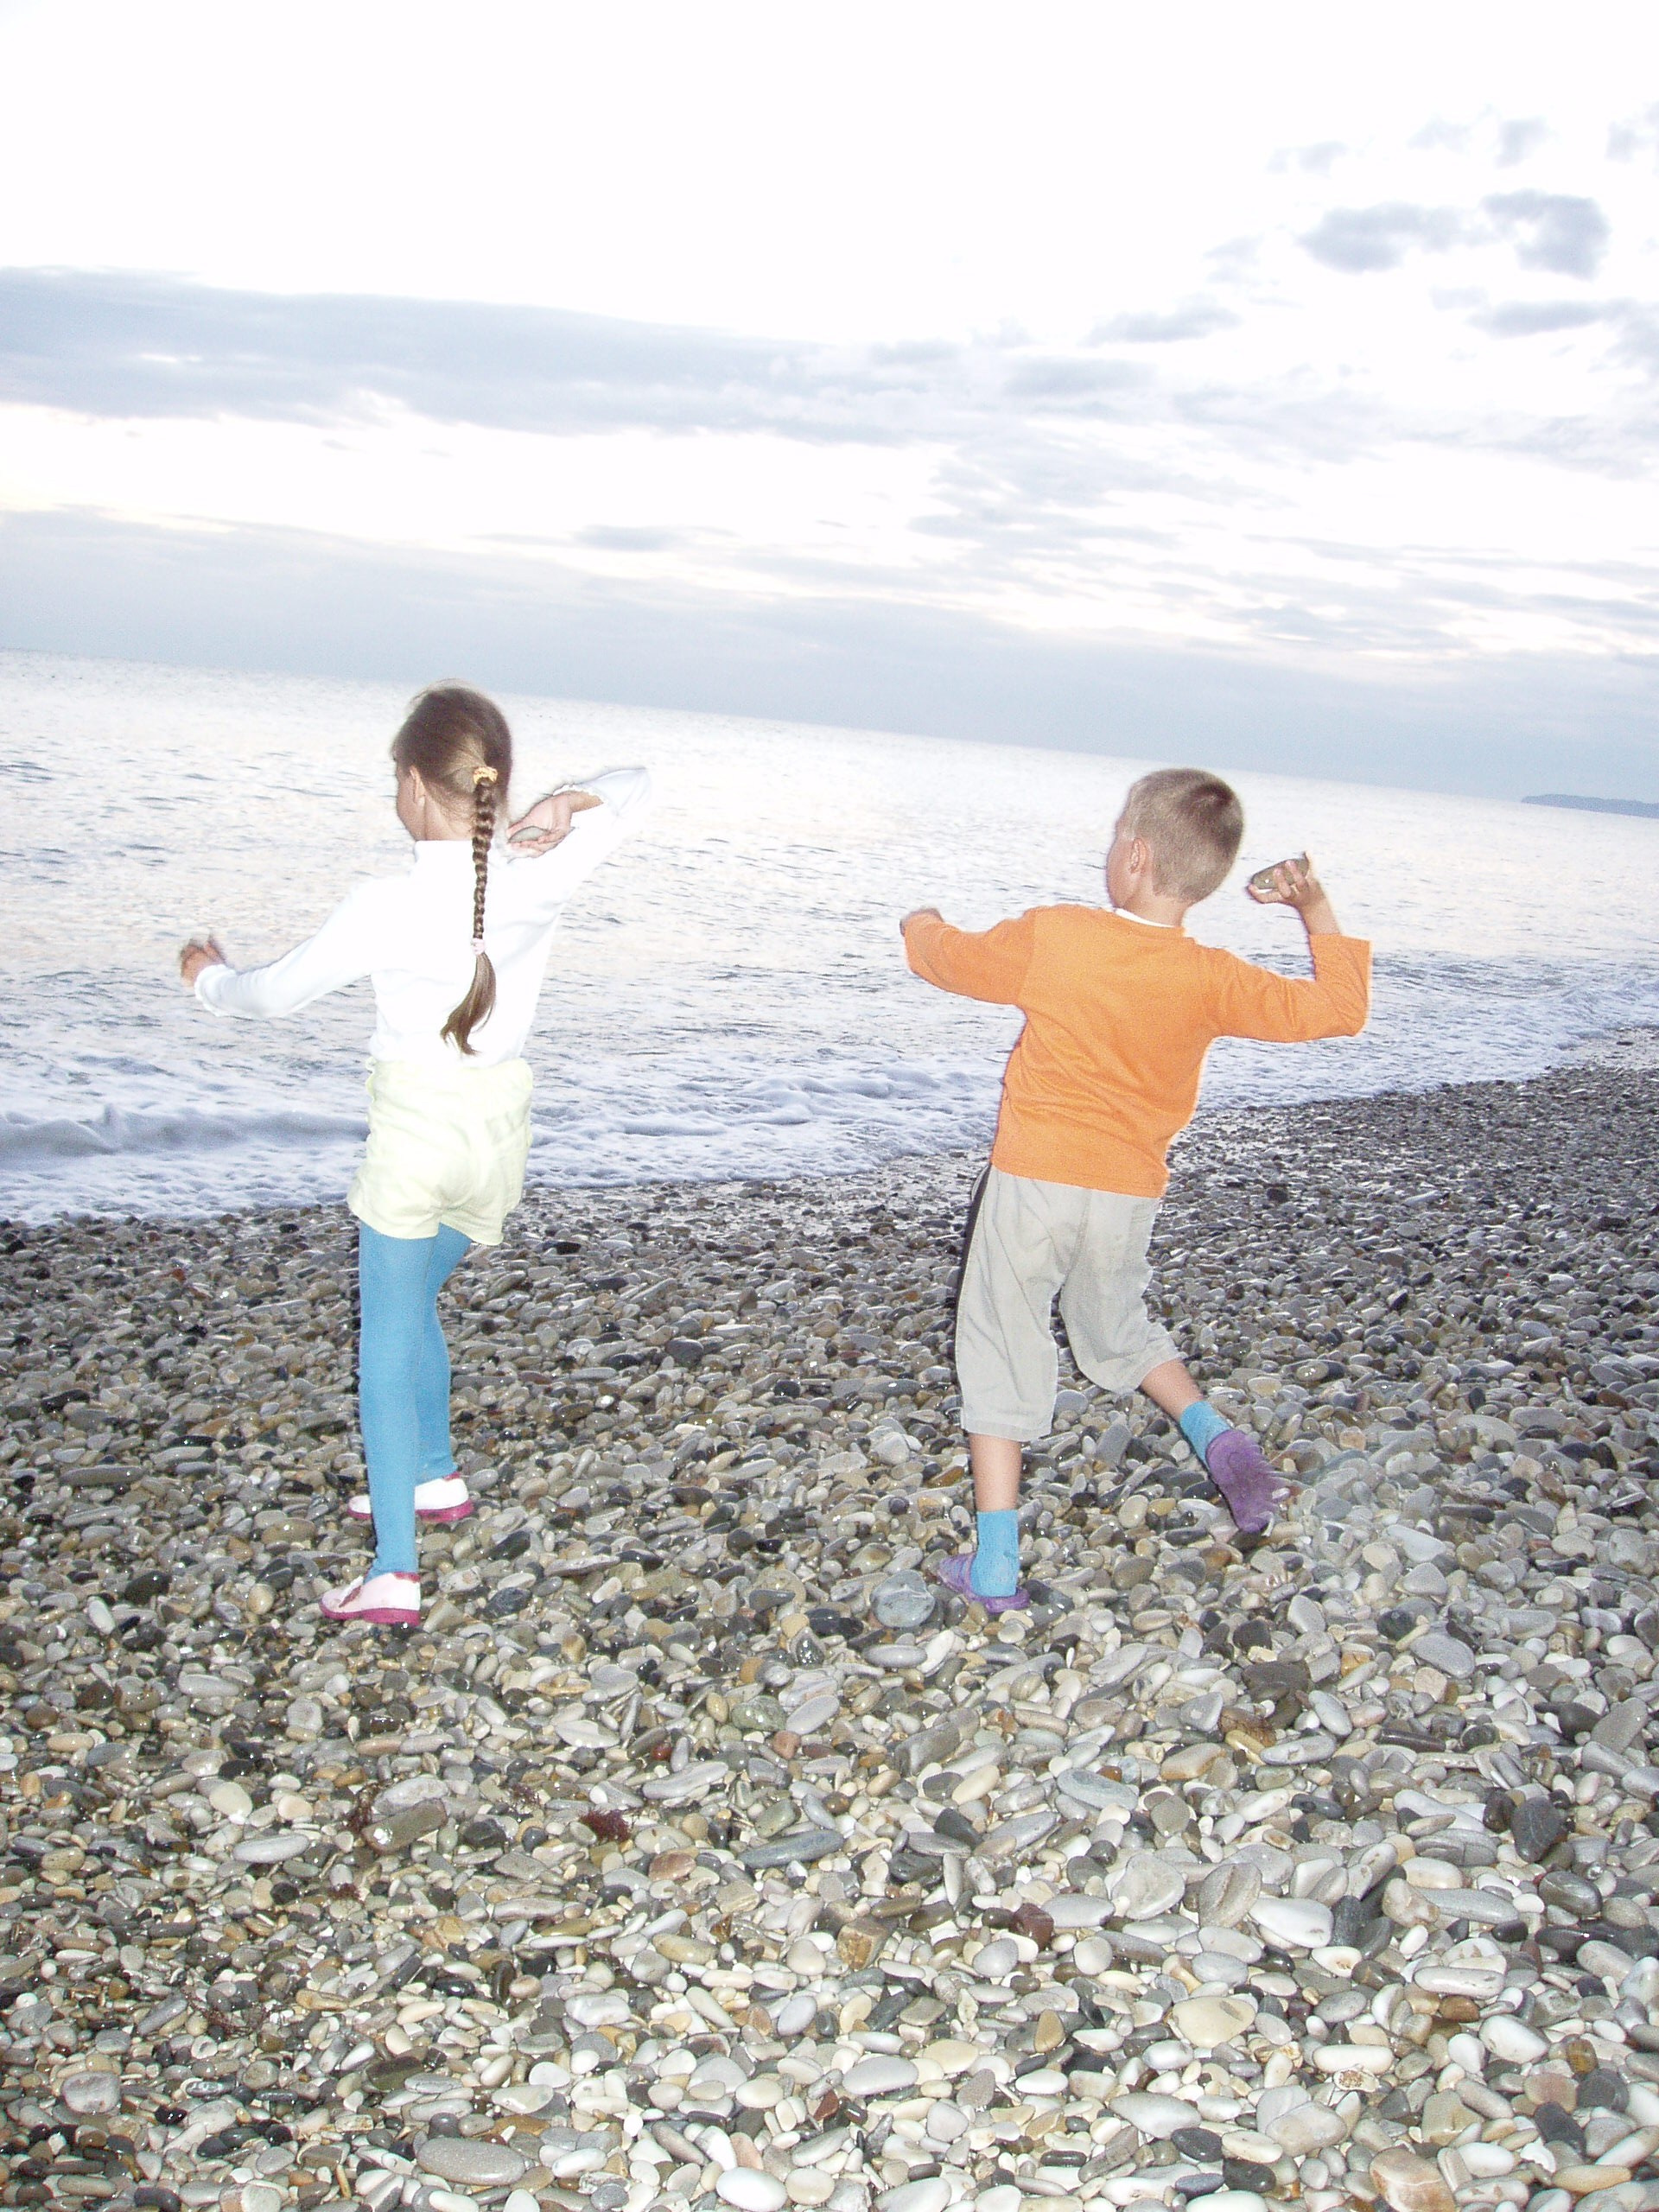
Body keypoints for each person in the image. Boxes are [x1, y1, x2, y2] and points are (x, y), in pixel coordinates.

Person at [180, 683, 651, 1627]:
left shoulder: (384, 904)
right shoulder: (538, 875)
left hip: (414, 1142)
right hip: (497, 1143)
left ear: (410, 783)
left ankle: (394, 1570)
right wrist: (570, 802)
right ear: (491, 784)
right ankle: (433, 1472)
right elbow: (639, 782)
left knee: (386, 1337)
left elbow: (271, 996)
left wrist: (207, 979)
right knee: (411, 1304)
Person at [901, 766, 1370, 1612]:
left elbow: (948, 961)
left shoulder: (1058, 936)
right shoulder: (1211, 976)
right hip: (1126, 1193)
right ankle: (1224, 1447)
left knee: (1001, 1339)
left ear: (1137, 855)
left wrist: (920, 922)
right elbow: (1339, 1010)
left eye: (1118, 833)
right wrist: (1314, 907)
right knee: (1117, 1325)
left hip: (1035, 1179)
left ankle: (997, 1561)